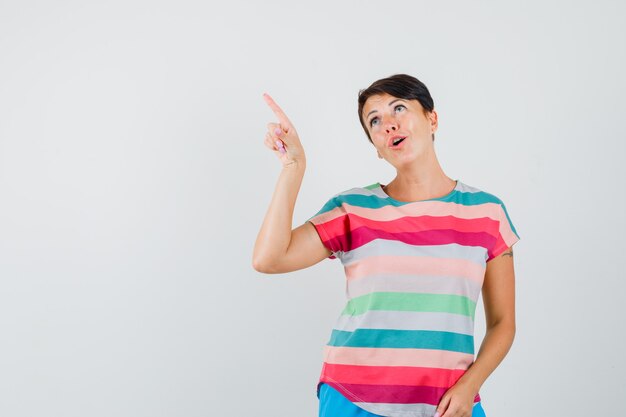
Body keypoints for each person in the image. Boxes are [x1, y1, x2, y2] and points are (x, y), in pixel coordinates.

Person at [252, 74, 520, 417]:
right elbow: (269, 259)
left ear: (432, 118)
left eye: (399, 108)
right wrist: (293, 167)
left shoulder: (487, 213)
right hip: (353, 399)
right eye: (375, 120)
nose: (389, 124)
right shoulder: (352, 208)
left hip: (447, 403)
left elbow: (503, 323)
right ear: (376, 147)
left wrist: (470, 385)